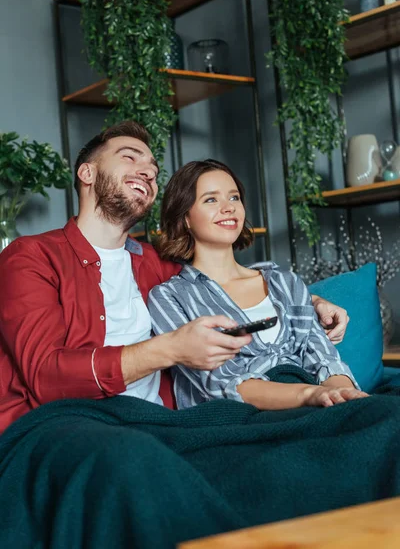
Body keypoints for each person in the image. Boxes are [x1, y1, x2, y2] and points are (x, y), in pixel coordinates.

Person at [0, 121, 350, 433]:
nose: (148, 172)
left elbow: (222, 279)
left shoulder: (155, 266)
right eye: (130, 157)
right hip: (76, 423)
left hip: (163, 425)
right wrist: (168, 349)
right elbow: (46, 375)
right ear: (87, 173)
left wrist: (313, 300)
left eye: (152, 169)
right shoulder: (31, 257)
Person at [148, 159, 368, 410]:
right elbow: (220, 381)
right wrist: (309, 395)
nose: (228, 208)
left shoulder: (285, 283)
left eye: (234, 198)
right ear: (185, 217)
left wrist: (347, 398)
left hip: (316, 404)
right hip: (239, 418)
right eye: (211, 199)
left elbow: (323, 358)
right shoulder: (170, 297)